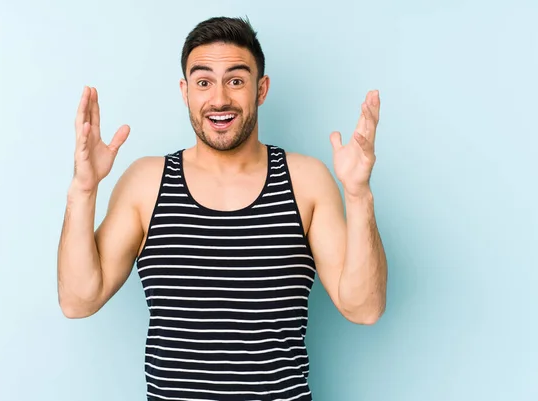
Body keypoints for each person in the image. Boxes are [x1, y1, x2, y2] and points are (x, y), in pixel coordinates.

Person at [57, 16, 387, 401]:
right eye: (203, 82)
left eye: (235, 80)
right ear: (185, 91)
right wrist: (83, 189)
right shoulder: (146, 183)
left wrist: (359, 193)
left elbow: (364, 309)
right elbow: (79, 300)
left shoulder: (306, 180)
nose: (219, 99)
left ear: (260, 89)